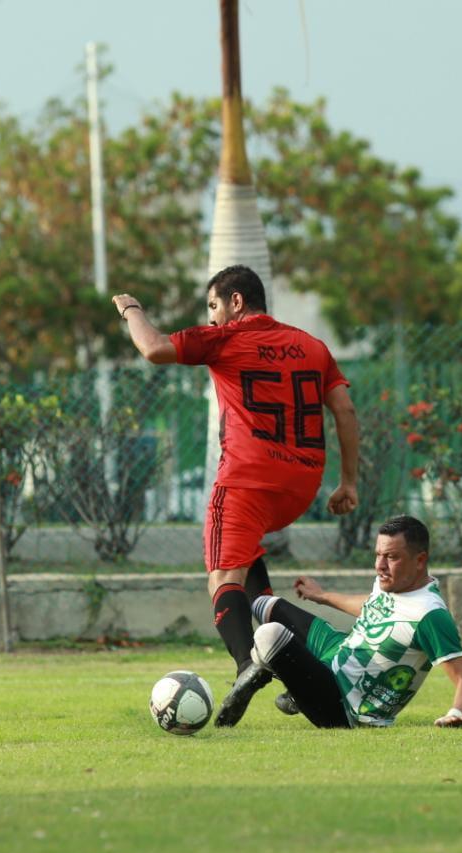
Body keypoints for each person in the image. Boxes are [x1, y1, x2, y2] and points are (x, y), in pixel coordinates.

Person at [112, 265, 360, 726]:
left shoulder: (228, 339)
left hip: (248, 477)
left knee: (222, 575)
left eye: (213, 307)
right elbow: (343, 408)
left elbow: (153, 347)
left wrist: (131, 309)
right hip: (301, 484)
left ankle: (249, 664)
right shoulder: (313, 346)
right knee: (250, 573)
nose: (211, 319)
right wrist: (348, 483)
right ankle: (294, 670)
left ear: (236, 302)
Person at [230, 515, 462, 729]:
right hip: (336, 655)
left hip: (342, 705)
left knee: (269, 636)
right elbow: (373, 607)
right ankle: (286, 677)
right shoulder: (393, 581)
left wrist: (455, 714)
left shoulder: (429, 615)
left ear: (420, 560)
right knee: (265, 605)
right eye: (378, 555)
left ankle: (282, 675)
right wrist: (322, 597)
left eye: (391, 557)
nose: (379, 566)